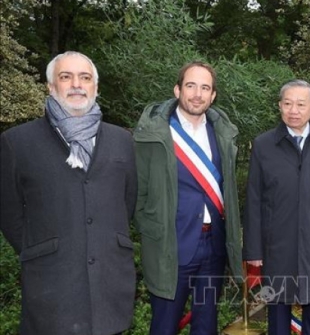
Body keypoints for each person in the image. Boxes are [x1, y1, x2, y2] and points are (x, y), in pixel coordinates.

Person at [0, 51, 137, 335]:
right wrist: (38, 247)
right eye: (66, 77)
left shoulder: (122, 141)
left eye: (85, 78)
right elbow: (9, 211)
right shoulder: (17, 142)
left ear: (95, 88)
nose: (76, 84)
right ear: (51, 86)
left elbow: (128, 201)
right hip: (50, 291)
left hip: (109, 290)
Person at [133, 61, 242, 335]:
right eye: (191, 85)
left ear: (213, 95)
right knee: (164, 326)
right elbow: (138, 191)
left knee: (206, 326)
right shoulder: (155, 133)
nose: (197, 94)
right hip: (171, 246)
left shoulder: (222, 134)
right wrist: (152, 230)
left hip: (213, 247)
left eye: (205, 88)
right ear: (177, 89)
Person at [243, 80, 310, 335]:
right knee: (278, 312)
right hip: (277, 246)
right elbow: (254, 200)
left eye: (301, 104)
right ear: (280, 107)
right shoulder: (263, 145)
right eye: (288, 103)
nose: (294, 110)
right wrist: (253, 250)